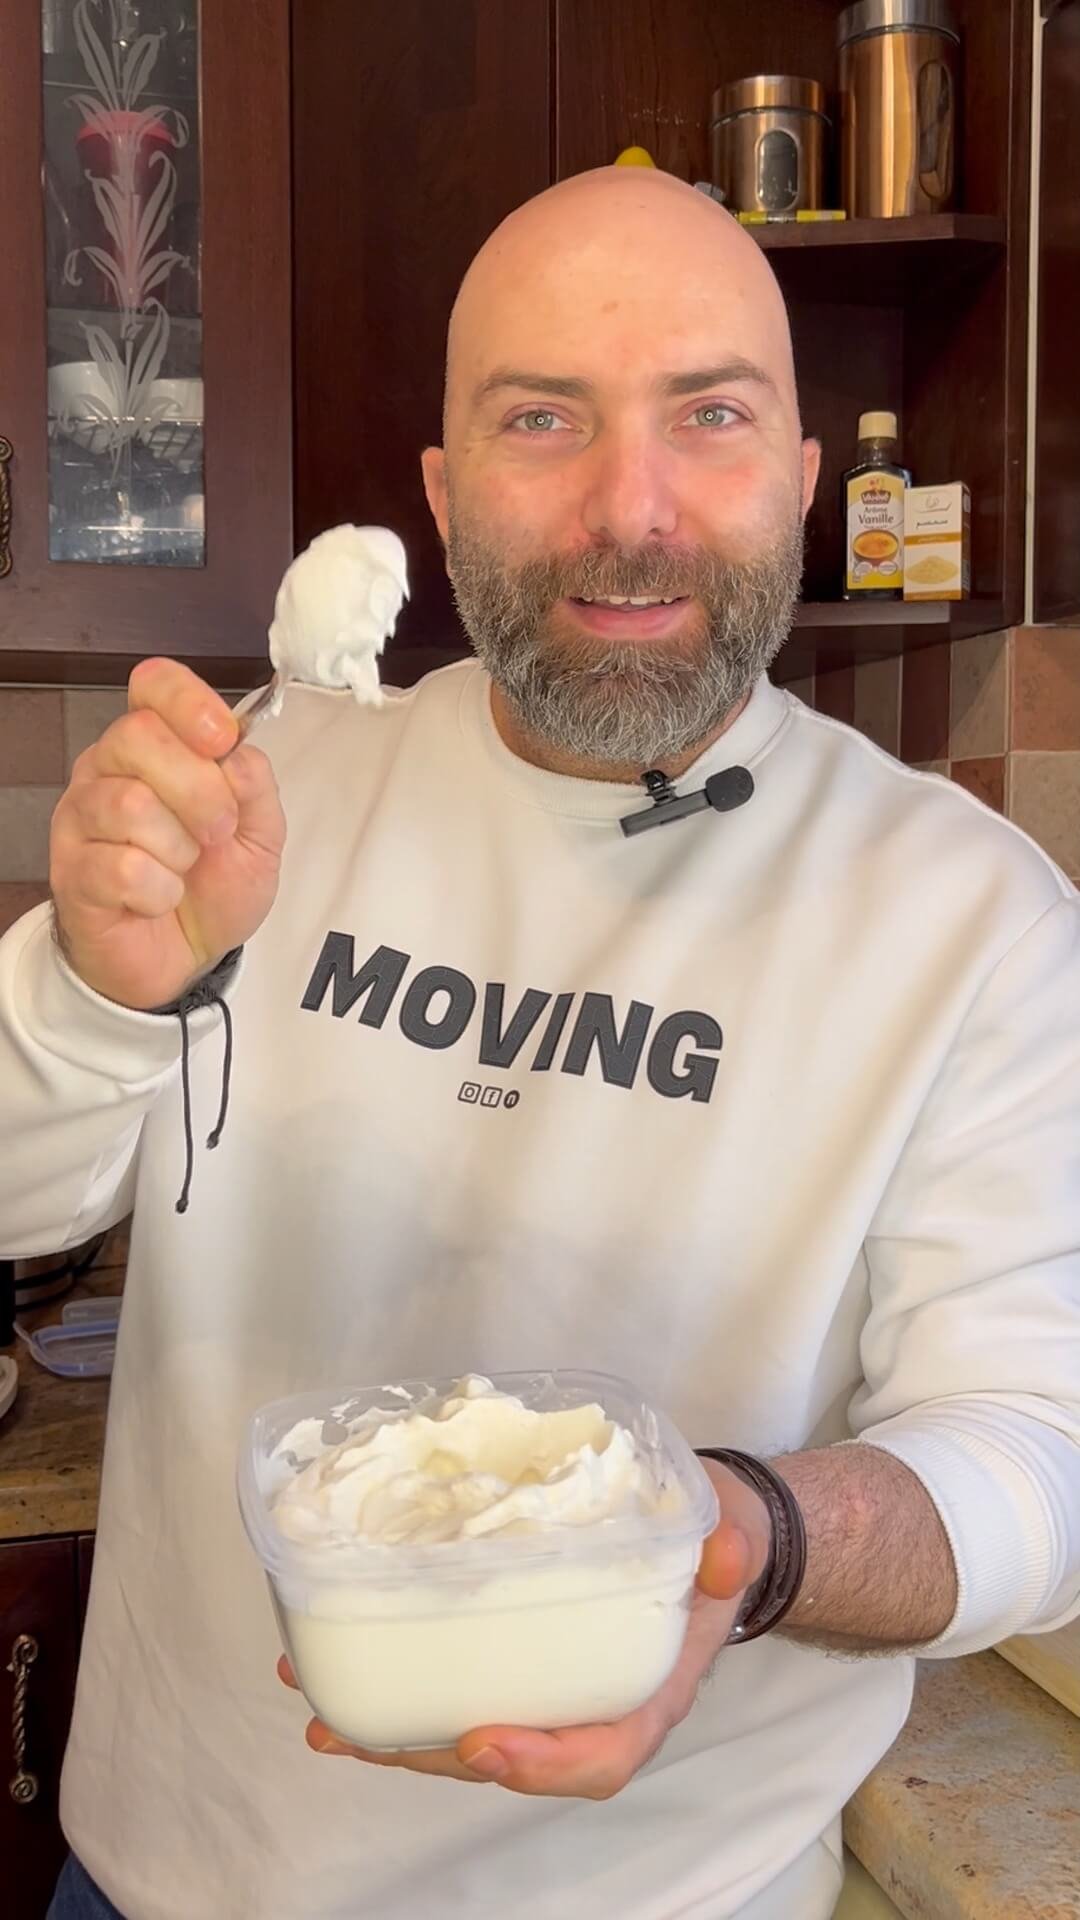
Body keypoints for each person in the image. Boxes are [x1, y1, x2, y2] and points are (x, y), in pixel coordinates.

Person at [3, 166, 1078, 1920]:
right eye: (541, 418)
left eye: (710, 414)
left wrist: (742, 1542)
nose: (628, 510)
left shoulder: (973, 923)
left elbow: (1042, 1456)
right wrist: (91, 995)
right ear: (443, 493)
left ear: (804, 477)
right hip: (166, 1874)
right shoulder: (265, 789)